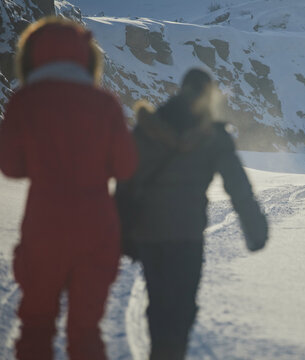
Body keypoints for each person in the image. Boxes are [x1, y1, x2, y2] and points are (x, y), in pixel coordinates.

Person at [0, 18, 138, 360]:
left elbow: (11, 167)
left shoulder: (24, 101)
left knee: (36, 327)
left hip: (43, 228)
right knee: (86, 331)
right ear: (87, 58)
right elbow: (126, 167)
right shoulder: (105, 103)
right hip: (96, 229)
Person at [116, 68, 268, 359]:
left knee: (159, 303)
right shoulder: (212, 135)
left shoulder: (148, 127)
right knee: (183, 307)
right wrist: (255, 229)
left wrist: (121, 232)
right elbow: (238, 186)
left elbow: (126, 181)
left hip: (150, 235)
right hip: (186, 236)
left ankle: (160, 351)